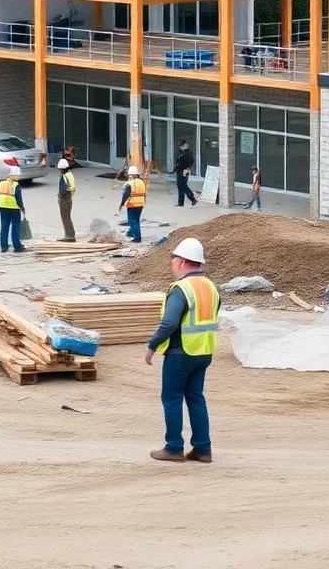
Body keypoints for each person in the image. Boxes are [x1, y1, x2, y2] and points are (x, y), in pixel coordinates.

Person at [144, 237, 220, 463]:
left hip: (180, 352)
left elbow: (168, 323)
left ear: (183, 261)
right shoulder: (211, 287)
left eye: (174, 258)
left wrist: (152, 346)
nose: (172, 263)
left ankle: (174, 448)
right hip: (203, 352)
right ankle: (203, 449)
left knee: (172, 398)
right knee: (196, 399)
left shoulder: (181, 289)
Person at [0, 166, 27, 253]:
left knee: (4, 225)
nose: (18, 177)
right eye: (17, 175)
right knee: (15, 226)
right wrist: (22, 208)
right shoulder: (16, 185)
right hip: (13, 207)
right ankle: (17, 246)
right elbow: (18, 198)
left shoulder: (2, 183)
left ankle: (4, 246)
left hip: (2, 205)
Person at [119, 165, 147, 243]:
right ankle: (131, 233)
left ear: (131, 175)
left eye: (129, 176)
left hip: (132, 204)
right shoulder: (142, 182)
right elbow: (144, 193)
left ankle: (137, 237)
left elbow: (126, 195)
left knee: (132, 221)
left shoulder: (130, 183)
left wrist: (121, 204)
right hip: (141, 204)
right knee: (136, 220)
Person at [171, 139, 198, 207]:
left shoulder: (187, 153)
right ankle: (180, 202)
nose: (181, 147)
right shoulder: (181, 152)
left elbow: (190, 162)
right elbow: (178, 161)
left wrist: (187, 167)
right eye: (180, 146)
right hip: (179, 170)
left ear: (185, 145)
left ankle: (192, 198)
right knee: (180, 186)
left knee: (183, 185)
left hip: (184, 170)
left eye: (182, 145)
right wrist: (176, 167)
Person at [57, 158, 76, 242]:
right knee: (67, 216)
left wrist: (60, 197)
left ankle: (70, 236)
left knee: (65, 217)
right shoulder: (70, 174)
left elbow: (65, 188)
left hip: (65, 198)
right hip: (70, 198)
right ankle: (70, 235)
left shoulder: (63, 176)